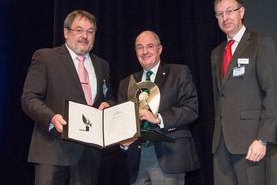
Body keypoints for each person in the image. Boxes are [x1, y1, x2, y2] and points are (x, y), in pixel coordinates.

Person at [21, 10, 115, 185]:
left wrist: (108, 105)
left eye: (90, 31)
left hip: (89, 155)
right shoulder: (46, 57)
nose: (84, 36)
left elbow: (108, 97)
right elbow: (29, 98)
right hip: (52, 151)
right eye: (79, 30)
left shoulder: (102, 65)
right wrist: (51, 118)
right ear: (66, 32)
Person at [211, 0, 277, 185]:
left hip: (251, 142)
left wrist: (263, 139)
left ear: (241, 12)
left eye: (229, 11)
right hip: (222, 145)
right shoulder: (216, 53)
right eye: (219, 14)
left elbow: (272, 96)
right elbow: (221, 97)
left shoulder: (261, 44)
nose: (224, 18)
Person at [118, 30, 200, 185]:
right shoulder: (126, 83)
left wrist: (159, 118)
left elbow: (191, 109)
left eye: (150, 46)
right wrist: (122, 140)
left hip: (169, 155)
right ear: (135, 52)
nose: (145, 51)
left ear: (159, 49)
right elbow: (122, 119)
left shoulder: (178, 72)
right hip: (137, 157)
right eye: (140, 47)